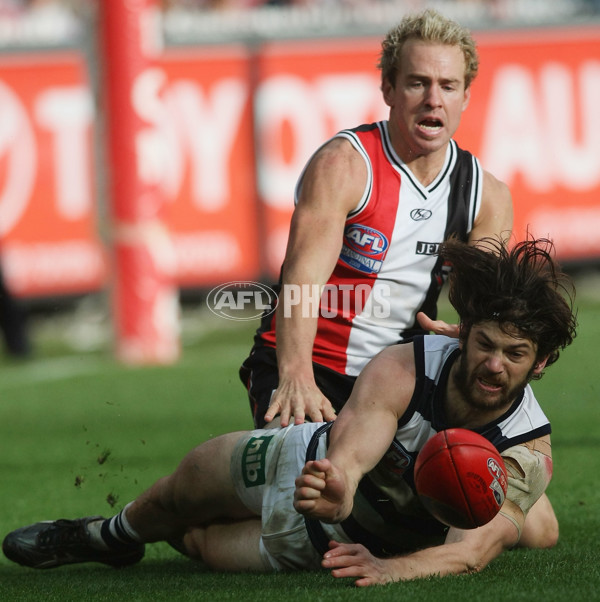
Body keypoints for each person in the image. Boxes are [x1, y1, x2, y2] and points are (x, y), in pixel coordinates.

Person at [3, 237, 577, 585]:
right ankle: (106, 536)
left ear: (542, 362)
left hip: (330, 546)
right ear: (466, 331)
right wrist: (342, 481)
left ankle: (163, 536)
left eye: (515, 353)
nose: (494, 364)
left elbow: (469, 554)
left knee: (197, 542)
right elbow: (355, 442)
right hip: (305, 464)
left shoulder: (527, 448)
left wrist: (387, 569)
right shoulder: (410, 363)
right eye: (485, 344)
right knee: (176, 493)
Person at [239, 8, 513, 430]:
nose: (433, 99)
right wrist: (296, 377)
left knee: (494, 475)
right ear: (388, 87)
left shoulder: (486, 196)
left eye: (447, 86)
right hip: (313, 363)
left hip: (399, 374)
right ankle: (168, 499)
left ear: (466, 96)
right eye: (418, 83)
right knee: (307, 480)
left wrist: (468, 331)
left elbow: (490, 310)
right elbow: (301, 282)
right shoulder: (345, 166)